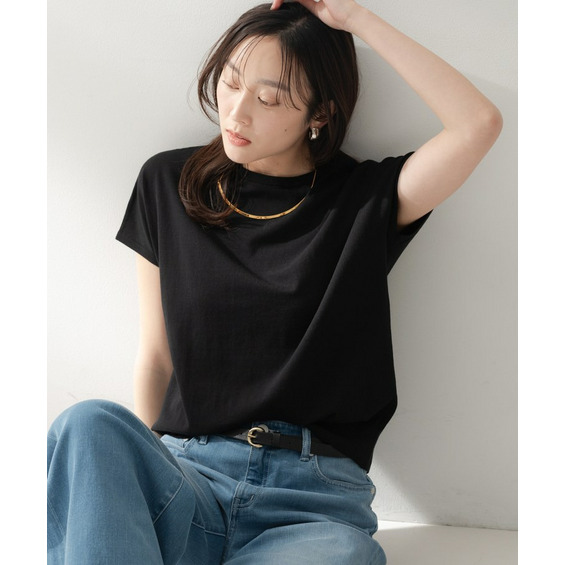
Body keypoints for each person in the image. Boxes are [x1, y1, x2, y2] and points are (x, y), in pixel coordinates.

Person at [47, 1, 502, 563]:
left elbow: (477, 124)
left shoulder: (364, 201)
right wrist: (146, 477)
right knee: (87, 424)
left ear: (320, 113)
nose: (236, 113)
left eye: (267, 99)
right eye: (231, 82)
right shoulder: (167, 183)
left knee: (346, 556)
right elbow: (157, 358)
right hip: (190, 479)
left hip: (311, 504)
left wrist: (355, 19)